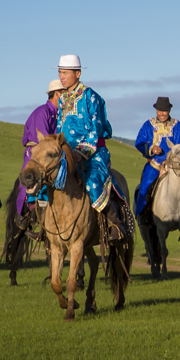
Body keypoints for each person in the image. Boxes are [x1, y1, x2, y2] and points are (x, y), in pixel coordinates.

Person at [54, 54, 129, 243]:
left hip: (92, 153)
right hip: (67, 154)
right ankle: (46, 229)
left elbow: (95, 128)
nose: (61, 76)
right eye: (60, 72)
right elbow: (59, 128)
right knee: (48, 179)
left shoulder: (90, 96)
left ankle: (116, 224)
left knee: (92, 183)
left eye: (65, 73)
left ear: (77, 73)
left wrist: (82, 152)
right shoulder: (62, 99)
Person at [133, 96, 180, 264]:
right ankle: (144, 214)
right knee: (145, 186)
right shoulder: (148, 125)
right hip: (155, 164)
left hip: (175, 165)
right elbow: (139, 142)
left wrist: (174, 159)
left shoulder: (178, 126)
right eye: (159, 110)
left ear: (169, 111)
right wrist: (151, 148)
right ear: (156, 110)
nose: (162, 113)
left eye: (164, 110)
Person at [15, 79, 64, 228]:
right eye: (64, 94)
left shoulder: (59, 114)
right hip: (38, 152)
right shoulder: (42, 112)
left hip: (53, 154)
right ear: (57, 94)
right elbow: (43, 141)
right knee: (32, 177)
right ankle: (25, 214)